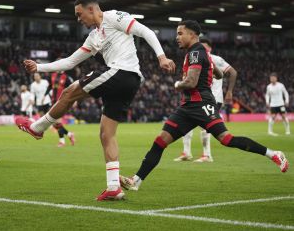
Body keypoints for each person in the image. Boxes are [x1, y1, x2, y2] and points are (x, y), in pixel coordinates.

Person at [15, 0, 175, 201]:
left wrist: (161, 56)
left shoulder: (113, 17)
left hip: (122, 72)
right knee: (106, 134)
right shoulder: (93, 37)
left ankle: (38, 128)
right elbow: (71, 62)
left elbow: (144, 31)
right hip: (127, 83)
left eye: (79, 14)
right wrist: (39, 67)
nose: (78, 19)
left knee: (69, 92)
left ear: (91, 9)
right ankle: (113, 188)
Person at [119, 20, 289, 192]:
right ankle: (136, 180)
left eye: (180, 33)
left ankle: (273, 154)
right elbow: (220, 73)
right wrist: (209, 70)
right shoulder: (202, 53)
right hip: (187, 107)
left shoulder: (195, 53)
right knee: (160, 141)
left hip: (201, 105)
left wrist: (178, 84)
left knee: (227, 139)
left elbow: (192, 82)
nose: (176, 38)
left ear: (192, 35)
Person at [174, 37, 237, 162]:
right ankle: (187, 153)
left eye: (204, 46)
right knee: (186, 124)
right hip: (197, 97)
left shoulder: (216, 59)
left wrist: (229, 91)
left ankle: (207, 155)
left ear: (210, 48)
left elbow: (233, 72)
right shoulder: (193, 57)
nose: (200, 48)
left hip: (213, 98)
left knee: (205, 127)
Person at [44, 71, 76, 147]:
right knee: (55, 123)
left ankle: (62, 141)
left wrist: (74, 100)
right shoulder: (52, 75)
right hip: (53, 101)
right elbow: (50, 86)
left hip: (61, 101)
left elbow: (72, 89)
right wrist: (44, 95)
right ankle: (69, 134)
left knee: (57, 122)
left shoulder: (66, 78)